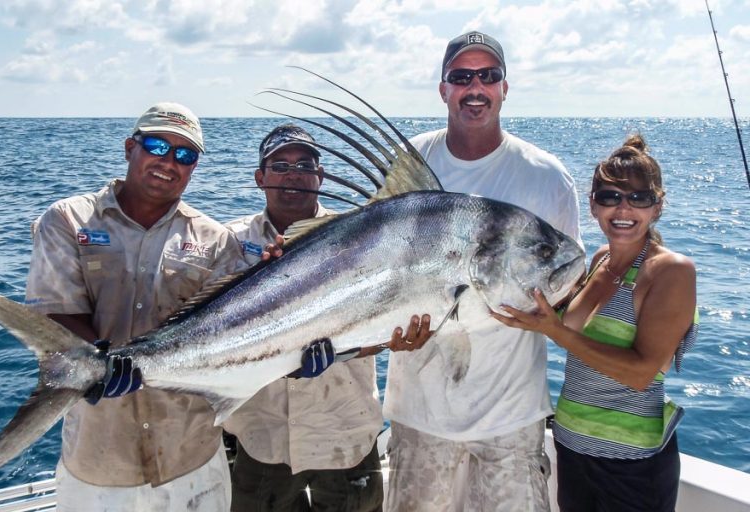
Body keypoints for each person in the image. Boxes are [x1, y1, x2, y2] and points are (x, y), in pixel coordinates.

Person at [382, 31, 582, 511]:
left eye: (488, 76)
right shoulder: (412, 163)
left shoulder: (547, 176)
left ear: (505, 87)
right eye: (462, 76)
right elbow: (374, 269)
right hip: (420, 414)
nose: (476, 87)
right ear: (443, 89)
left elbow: (567, 282)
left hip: (512, 419)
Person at [25, 102, 244, 511]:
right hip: (98, 464)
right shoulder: (68, 220)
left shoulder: (216, 239)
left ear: (194, 166)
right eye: (158, 145)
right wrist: (103, 363)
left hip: (192, 458)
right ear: (131, 147)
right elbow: (54, 312)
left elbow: (232, 332)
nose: (169, 162)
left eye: (185, 155)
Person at [222, 123, 432, 511]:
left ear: (320, 176)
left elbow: (382, 316)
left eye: (305, 164)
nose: (294, 174)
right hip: (261, 437)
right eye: (280, 165)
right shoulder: (229, 243)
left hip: (344, 435)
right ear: (259, 178)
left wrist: (392, 339)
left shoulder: (364, 235)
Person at [491, 135, 698, 511]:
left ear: (657, 206)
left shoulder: (671, 271)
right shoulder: (601, 259)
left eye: (639, 198)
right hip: (571, 447)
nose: (623, 209)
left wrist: (553, 331)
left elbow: (640, 373)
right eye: (609, 197)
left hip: (632, 464)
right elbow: (566, 326)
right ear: (592, 205)